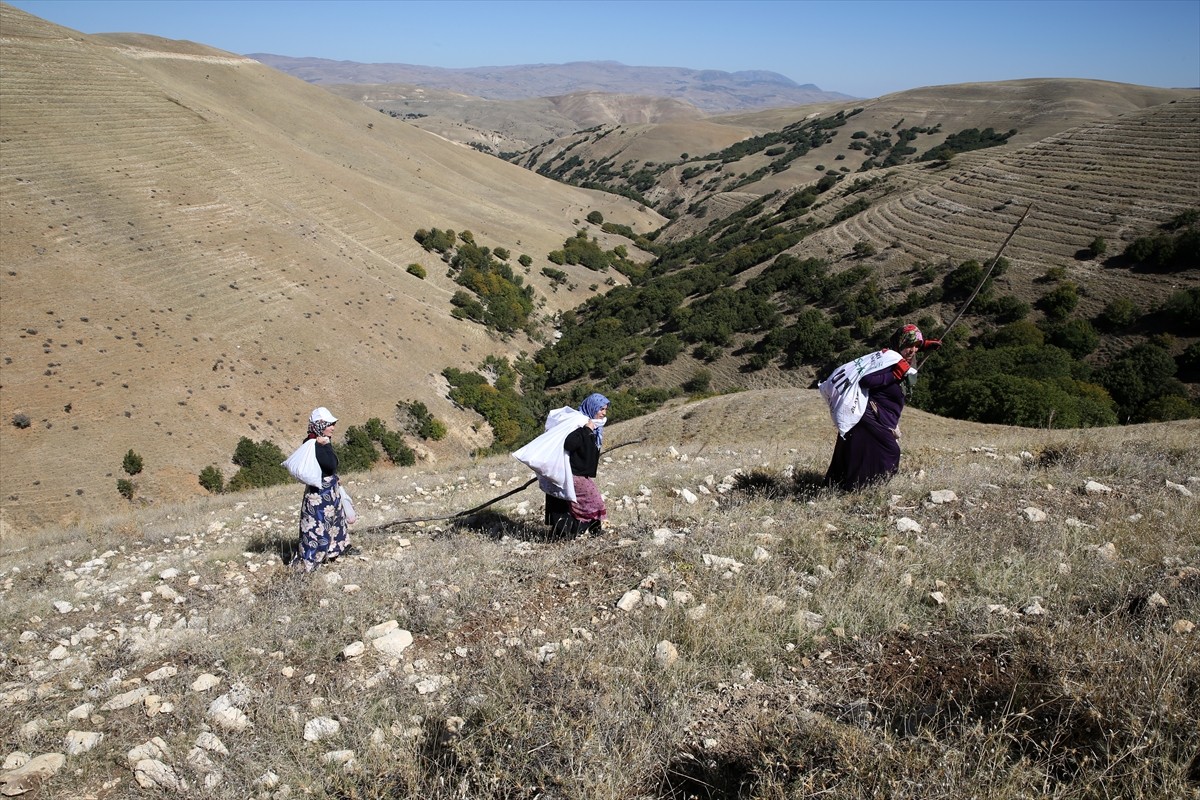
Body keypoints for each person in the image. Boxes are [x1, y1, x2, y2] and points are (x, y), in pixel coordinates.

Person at [821, 324, 940, 492]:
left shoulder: (899, 358)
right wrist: (895, 374)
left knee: (853, 453)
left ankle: (840, 488)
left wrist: (924, 345)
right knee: (888, 452)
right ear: (900, 343)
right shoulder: (890, 360)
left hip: (877, 415)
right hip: (869, 415)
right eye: (909, 345)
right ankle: (862, 490)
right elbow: (866, 380)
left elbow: (908, 362)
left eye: (917, 346)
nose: (913, 350)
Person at [294, 406, 355, 571]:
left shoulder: (318, 441)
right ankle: (311, 560)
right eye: (330, 424)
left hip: (328, 491)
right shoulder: (315, 444)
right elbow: (330, 465)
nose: (333, 428)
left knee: (335, 521)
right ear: (320, 425)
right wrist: (325, 446)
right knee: (318, 525)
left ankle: (335, 550)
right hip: (320, 495)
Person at [545, 392, 610, 535]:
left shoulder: (594, 425)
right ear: (592, 408)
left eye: (605, 409)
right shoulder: (580, 424)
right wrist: (587, 429)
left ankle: (591, 532)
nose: (604, 413)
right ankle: (585, 531)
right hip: (573, 474)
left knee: (579, 504)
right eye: (601, 409)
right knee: (594, 502)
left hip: (581, 473)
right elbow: (569, 444)